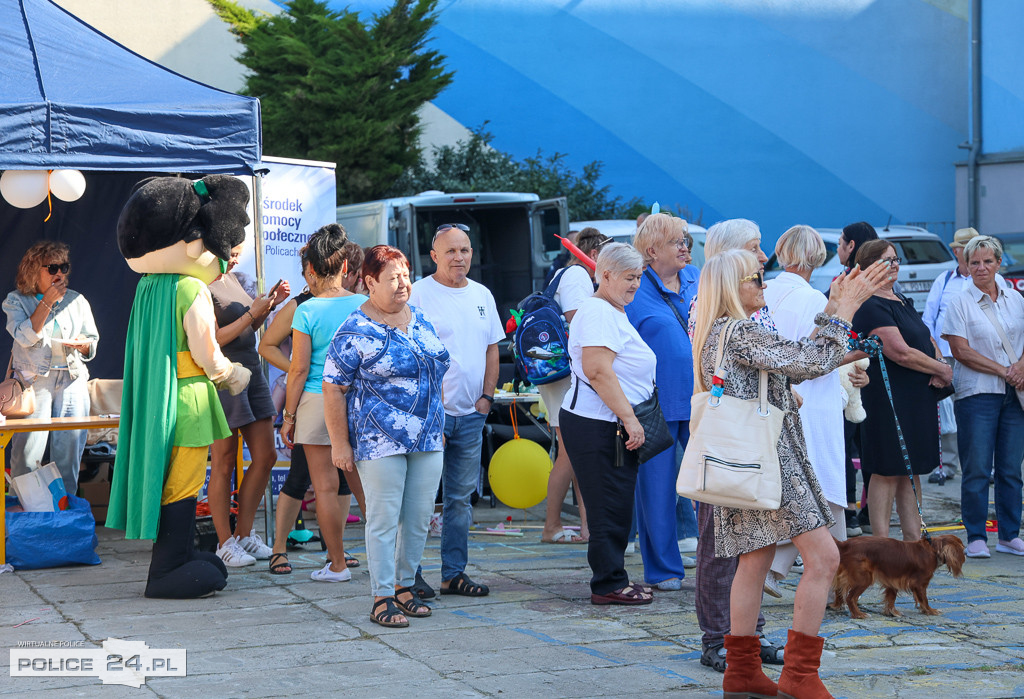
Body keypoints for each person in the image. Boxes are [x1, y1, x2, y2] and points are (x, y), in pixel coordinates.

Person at [693, 248, 886, 699]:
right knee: (824, 558)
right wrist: (849, 309)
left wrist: (835, 307)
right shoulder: (740, 331)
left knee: (754, 561)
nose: (765, 283)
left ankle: (740, 672)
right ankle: (799, 675)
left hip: (746, 464)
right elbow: (806, 363)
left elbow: (794, 360)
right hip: (770, 463)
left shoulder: (724, 331)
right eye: (756, 277)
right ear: (732, 286)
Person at [108, 175, 252, 599]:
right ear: (196, 244)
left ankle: (179, 556)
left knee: (166, 474)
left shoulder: (148, 285)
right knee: (184, 481)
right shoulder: (191, 287)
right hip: (187, 399)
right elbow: (206, 352)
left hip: (157, 398)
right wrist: (231, 374)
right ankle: (168, 567)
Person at [324, 245, 450, 627]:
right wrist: (340, 444)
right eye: (393, 278)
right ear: (369, 282)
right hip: (379, 440)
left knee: (418, 517)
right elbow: (332, 388)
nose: (402, 284)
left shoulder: (422, 319)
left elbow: (435, 373)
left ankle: (405, 587)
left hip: (428, 438)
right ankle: (382, 596)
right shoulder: (354, 329)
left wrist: (437, 424)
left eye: (406, 276)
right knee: (383, 518)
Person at [689, 219, 782, 672]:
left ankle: (747, 633)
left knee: (752, 546)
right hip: (730, 442)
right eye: (754, 251)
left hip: (753, 441)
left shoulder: (749, 311)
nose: (764, 260)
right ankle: (717, 638)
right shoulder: (712, 312)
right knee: (719, 547)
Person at [763, 225, 867, 596]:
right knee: (822, 488)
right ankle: (820, 573)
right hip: (815, 401)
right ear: (817, 257)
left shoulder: (763, 292)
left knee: (812, 490)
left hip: (777, 399)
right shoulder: (814, 300)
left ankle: (817, 574)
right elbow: (823, 353)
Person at [409, 222, 505, 598]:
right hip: (433, 415)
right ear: (434, 256)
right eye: (450, 251)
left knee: (459, 500)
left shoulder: (482, 294)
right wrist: (430, 404)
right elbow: (410, 353)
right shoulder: (417, 294)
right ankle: (409, 574)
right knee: (419, 497)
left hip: (471, 414)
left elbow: (491, 348)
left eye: (464, 250)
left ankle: (453, 574)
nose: (459, 257)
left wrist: (487, 397)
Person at [558, 243, 654, 605]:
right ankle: (609, 583)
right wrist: (630, 418)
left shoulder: (610, 309)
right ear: (607, 275)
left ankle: (614, 577)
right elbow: (597, 370)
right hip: (599, 423)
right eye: (630, 278)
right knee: (608, 504)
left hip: (606, 422)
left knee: (615, 502)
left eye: (640, 278)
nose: (635, 285)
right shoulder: (598, 312)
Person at [258, 254, 359, 575]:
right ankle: (281, 549)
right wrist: (296, 377)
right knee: (302, 478)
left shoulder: (355, 303)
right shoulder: (303, 305)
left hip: (320, 401)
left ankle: (336, 553)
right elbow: (271, 348)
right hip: (321, 401)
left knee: (341, 484)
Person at [281, 224, 367, 582]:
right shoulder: (366, 304)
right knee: (368, 489)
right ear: (346, 267)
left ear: (311, 270)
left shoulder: (307, 310)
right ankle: (390, 561)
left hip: (316, 402)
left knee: (325, 488)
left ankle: (337, 565)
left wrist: (288, 417)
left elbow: (298, 370)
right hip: (361, 402)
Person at [851, 239, 952, 540]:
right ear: (869, 266)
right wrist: (940, 370)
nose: (894, 265)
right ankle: (881, 545)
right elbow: (899, 351)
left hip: (917, 396)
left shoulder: (900, 299)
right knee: (886, 470)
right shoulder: (870, 304)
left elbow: (926, 337)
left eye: (896, 260)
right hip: (888, 398)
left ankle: (914, 541)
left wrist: (938, 362)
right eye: (886, 260)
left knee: (913, 470)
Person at [626, 214, 699, 591]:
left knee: (712, 484)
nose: (684, 246)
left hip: (705, 399)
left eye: (685, 240)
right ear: (652, 251)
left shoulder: (697, 279)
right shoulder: (634, 289)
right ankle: (663, 569)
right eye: (676, 242)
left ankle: (722, 559)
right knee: (656, 489)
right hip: (655, 402)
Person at [942, 235, 1024, 558]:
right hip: (977, 392)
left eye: (987, 261)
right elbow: (960, 351)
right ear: (966, 265)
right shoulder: (959, 302)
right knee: (976, 466)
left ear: (998, 264)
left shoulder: (1015, 299)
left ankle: (1009, 534)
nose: (981, 268)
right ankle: (976, 534)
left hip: (1014, 393)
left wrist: (1019, 367)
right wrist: (1005, 369)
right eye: (974, 262)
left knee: (1011, 467)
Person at [207, 247, 290, 567]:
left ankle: (243, 534)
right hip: (224, 375)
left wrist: (268, 306)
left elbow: (245, 330)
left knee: (266, 455)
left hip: (252, 372)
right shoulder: (200, 285)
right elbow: (212, 338)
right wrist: (252, 313)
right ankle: (224, 542)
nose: (238, 257)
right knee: (225, 461)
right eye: (233, 250)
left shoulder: (230, 279)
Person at [4, 241, 99, 496]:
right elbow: (24, 336)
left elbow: (92, 340)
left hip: (72, 379)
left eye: (64, 267)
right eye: (53, 267)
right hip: (34, 382)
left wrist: (83, 346)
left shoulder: (77, 300)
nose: (60, 274)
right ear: (34, 270)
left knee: (69, 453)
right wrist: (46, 302)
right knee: (27, 454)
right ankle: (23, 513)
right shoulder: (16, 301)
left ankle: (64, 513)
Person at [537, 227, 609, 545]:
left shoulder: (573, 275)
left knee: (576, 452)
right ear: (594, 256)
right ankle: (552, 525)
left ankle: (586, 526)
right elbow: (579, 318)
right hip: (564, 371)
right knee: (568, 453)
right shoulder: (577, 275)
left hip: (565, 370)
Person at [923, 227, 992, 484]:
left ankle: (987, 465)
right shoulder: (943, 280)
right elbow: (928, 319)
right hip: (948, 356)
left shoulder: (991, 280)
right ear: (957, 252)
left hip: (981, 358)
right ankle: (948, 465)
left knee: (984, 408)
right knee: (946, 411)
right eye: (968, 247)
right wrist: (935, 356)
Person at [836, 221, 880, 534]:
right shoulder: (877, 289)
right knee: (865, 448)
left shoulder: (848, 286)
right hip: (866, 373)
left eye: (840, 242)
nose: (838, 248)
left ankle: (851, 511)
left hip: (852, 373)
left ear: (851, 247)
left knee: (845, 444)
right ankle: (863, 511)